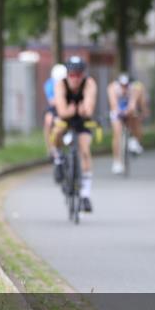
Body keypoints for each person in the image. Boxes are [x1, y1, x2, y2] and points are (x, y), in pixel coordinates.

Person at [51, 56, 98, 212]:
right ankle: (58, 159)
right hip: (66, 119)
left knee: (85, 150)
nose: (75, 79)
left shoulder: (89, 83)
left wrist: (74, 109)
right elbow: (62, 111)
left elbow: (88, 110)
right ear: (67, 75)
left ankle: (85, 195)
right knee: (57, 131)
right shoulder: (61, 84)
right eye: (72, 75)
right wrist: (75, 109)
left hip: (82, 121)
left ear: (83, 75)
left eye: (78, 75)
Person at [107, 73, 147, 174]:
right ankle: (117, 161)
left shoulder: (135, 88)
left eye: (126, 86)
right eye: (122, 85)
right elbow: (113, 104)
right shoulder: (112, 88)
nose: (124, 88)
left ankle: (134, 140)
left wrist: (131, 111)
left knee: (135, 117)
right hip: (117, 109)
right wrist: (119, 112)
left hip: (129, 109)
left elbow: (133, 104)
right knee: (117, 133)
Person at [43, 63, 67, 171]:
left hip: (66, 108)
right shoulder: (49, 84)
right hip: (55, 109)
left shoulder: (68, 83)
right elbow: (52, 101)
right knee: (48, 121)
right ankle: (51, 149)